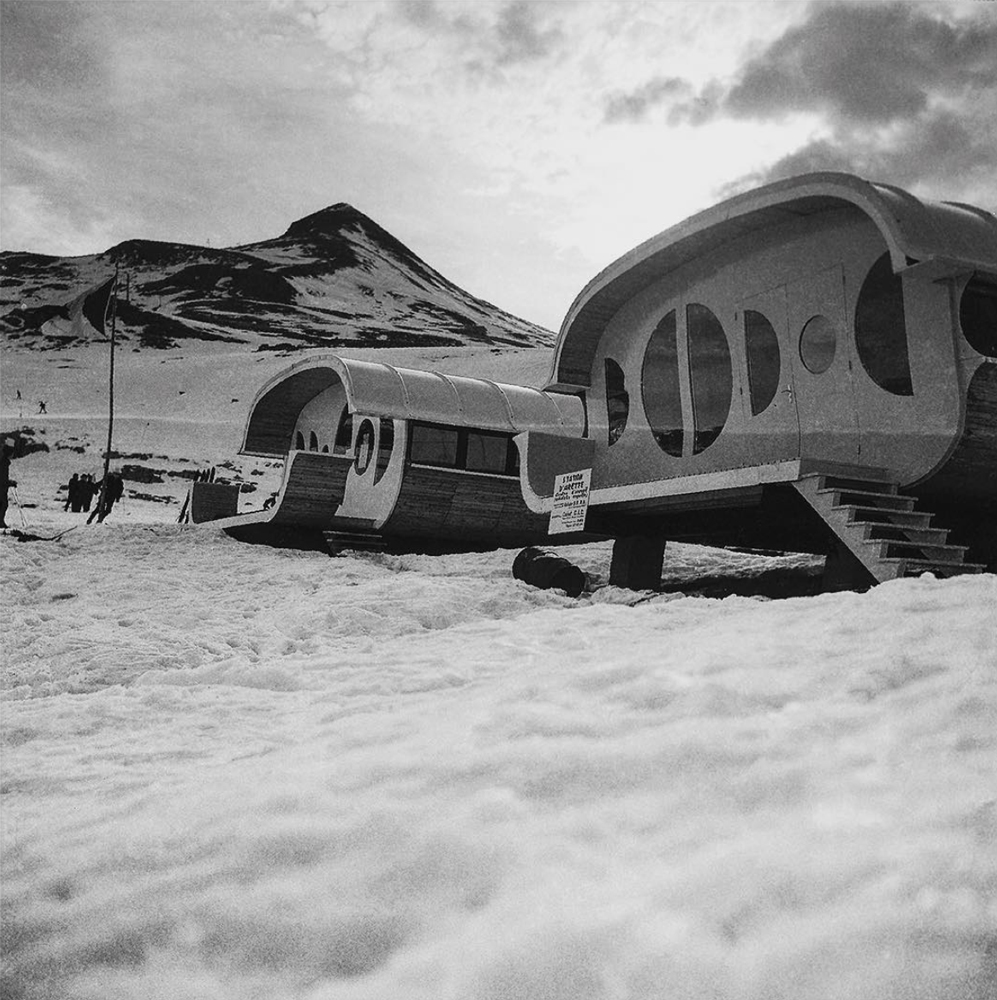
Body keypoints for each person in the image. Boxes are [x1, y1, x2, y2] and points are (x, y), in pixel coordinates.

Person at [1, 439, 15, 529]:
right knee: (3, 504)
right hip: (1, 489)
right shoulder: (4, 463)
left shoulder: (3, 461)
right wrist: (9, 483)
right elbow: (2, 479)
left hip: (2, 488)